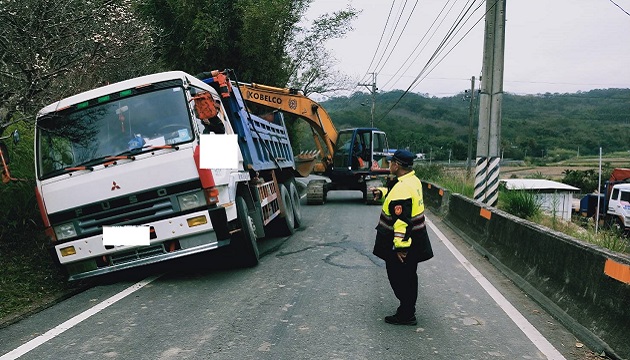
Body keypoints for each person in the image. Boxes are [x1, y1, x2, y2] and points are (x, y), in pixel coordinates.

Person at [370, 149, 434, 325]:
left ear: (397, 165)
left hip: (404, 242)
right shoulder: (412, 181)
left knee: (398, 276)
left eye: (391, 162)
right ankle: (407, 309)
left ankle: (406, 313)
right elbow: (396, 195)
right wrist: (382, 193)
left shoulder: (403, 188)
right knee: (409, 276)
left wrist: (401, 247)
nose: (389, 164)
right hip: (416, 237)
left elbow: (401, 221)